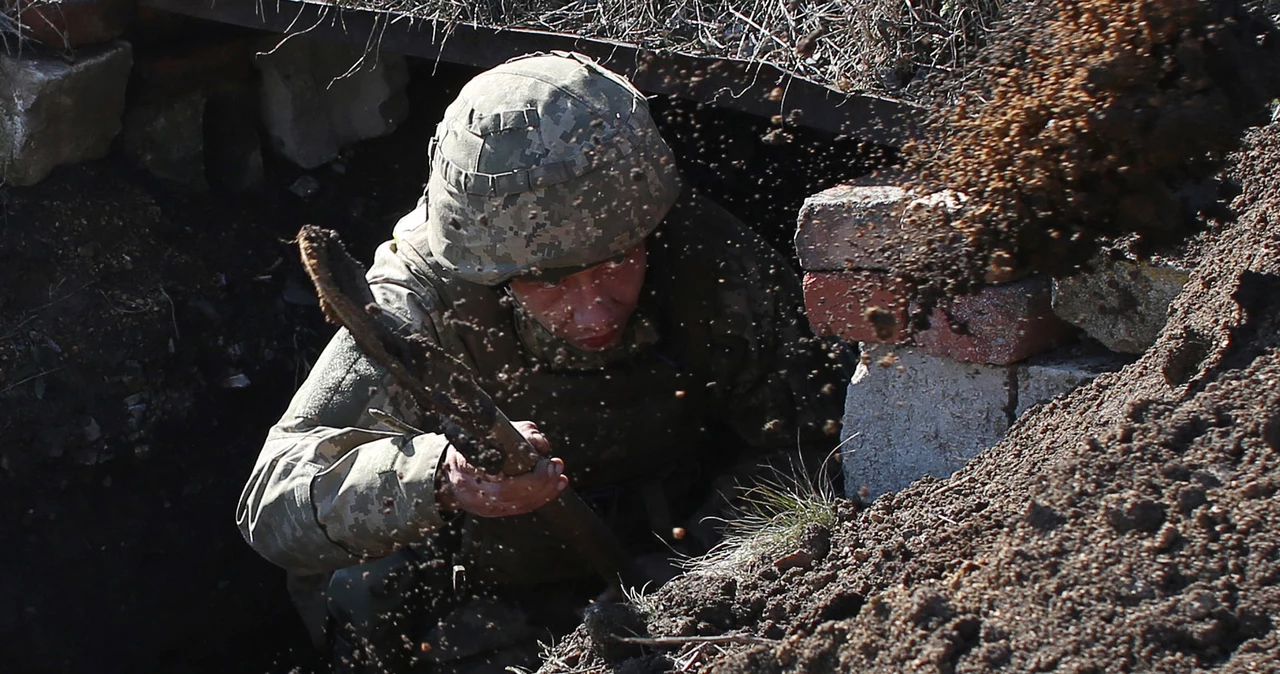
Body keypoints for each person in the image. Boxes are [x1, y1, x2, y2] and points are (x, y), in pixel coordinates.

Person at [236, 51, 845, 673]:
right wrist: (438, 479)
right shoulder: (422, 296)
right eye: (546, 283)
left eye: (615, 265)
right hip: (482, 585)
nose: (593, 314)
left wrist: (698, 567)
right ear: (490, 271)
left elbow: (816, 440)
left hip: (670, 554)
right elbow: (271, 506)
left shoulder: (705, 259)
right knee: (363, 592)